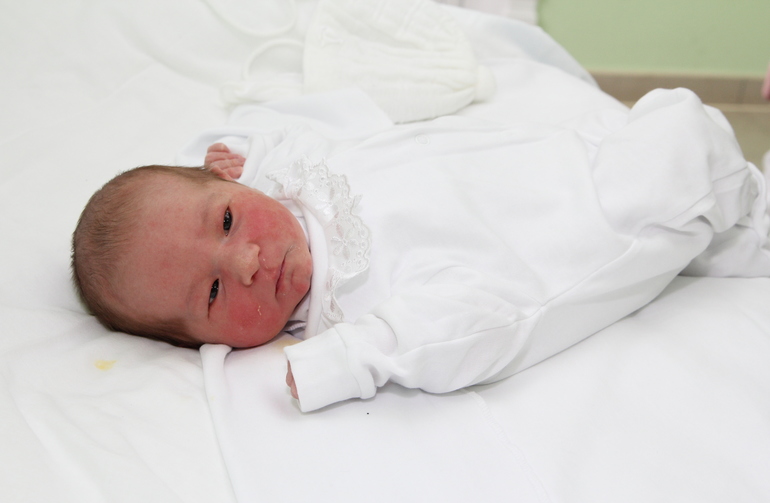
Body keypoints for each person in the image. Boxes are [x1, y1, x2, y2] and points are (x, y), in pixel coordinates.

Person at [73, 87, 770, 412]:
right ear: (201, 342)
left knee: (709, 202)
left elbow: (300, 133)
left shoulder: (289, 178)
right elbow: (460, 332)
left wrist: (252, 157)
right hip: (592, 215)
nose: (246, 261)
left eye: (226, 221)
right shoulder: (356, 315)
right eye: (213, 292)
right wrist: (353, 360)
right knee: (681, 169)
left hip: (551, 160)